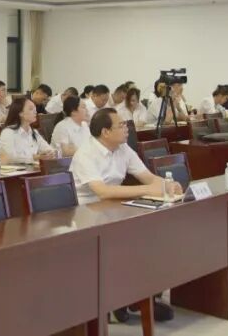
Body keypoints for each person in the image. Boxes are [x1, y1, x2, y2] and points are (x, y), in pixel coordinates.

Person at [70, 108, 182, 324]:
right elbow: (103, 192)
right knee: (136, 239)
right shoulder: (86, 154)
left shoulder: (123, 148)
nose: (126, 129)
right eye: (121, 125)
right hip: (86, 215)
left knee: (157, 233)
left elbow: (147, 177)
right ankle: (123, 299)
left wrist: (168, 185)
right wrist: (149, 190)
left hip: (114, 208)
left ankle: (142, 297)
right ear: (105, 132)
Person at [0, 97, 55, 163]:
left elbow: (48, 149)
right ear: (20, 113)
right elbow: (10, 156)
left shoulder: (34, 132)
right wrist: (35, 157)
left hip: (31, 168)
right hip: (13, 168)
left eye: (35, 109)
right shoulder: (8, 132)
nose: (35, 112)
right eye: (31, 109)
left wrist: (49, 153)